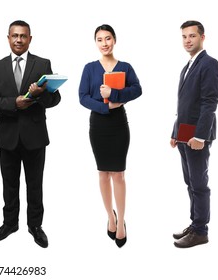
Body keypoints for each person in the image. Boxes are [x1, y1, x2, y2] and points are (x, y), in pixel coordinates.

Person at [0, 20, 60, 248]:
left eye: (23, 36)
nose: (18, 40)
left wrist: (40, 94)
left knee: (35, 184)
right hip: (7, 136)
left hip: (35, 136)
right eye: (14, 36)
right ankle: (10, 223)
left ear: (30, 39)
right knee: (9, 184)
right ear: (8, 38)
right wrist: (14, 103)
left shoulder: (42, 64)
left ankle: (35, 226)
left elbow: (54, 99)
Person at [78, 24, 142, 248]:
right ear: (95, 42)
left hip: (118, 126)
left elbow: (137, 89)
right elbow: (82, 97)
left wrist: (113, 94)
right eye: (99, 39)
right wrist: (107, 106)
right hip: (98, 125)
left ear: (115, 40)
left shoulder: (125, 67)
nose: (104, 43)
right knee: (103, 173)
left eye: (108, 38)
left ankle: (122, 222)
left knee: (119, 175)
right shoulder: (89, 68)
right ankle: (110, 216)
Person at [171, 20, 218, 248]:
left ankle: (201, 230)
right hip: (184, 131)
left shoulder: (209, 64)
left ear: (202, 37)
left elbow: (209, 102)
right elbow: (184, 104)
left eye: (192, 36)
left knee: (199, 183)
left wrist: (200, 136)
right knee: (189, 181)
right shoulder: (187, 66)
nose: (187, 40)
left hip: (198, 132)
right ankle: (195, 223)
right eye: (184, 36)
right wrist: (175, 133)